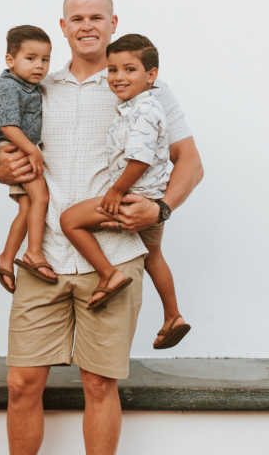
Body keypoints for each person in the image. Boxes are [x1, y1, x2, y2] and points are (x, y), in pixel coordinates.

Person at [0, 0, 203, 455]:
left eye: (96, 17)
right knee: (22, 384)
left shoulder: (142, 85)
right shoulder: (36, 84)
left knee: (99, 386)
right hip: (42, 256)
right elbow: (6, 155)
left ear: (113, 23)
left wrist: (161, 207)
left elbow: (190, 161)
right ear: (63, 27)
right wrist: (0, 166)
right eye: (77, 18)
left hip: (116, 255)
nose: (86, 25)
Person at [60, 34, 191, 348]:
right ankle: (173, 315)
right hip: (151, 198)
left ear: (151, 75)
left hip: (136, 198)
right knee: (153, 256)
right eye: (113, 70)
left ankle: (108, 275)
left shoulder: (144, 111)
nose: (119, 77)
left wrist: (117, 191)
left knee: (69, 221)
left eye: (130, 70)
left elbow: (140, 158)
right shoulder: (136, 106)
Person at [0, 25, 54, 293]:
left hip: (20, 145)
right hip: (14, 146)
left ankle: (5, 258)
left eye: (45, 59)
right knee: (42, 198)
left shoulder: (29, 85)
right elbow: (8, 126)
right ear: (10, 60)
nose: (39, 66)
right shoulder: (9, 87)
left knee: (27, 208)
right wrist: (33, 150)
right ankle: (34, 253)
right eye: (31, 58)